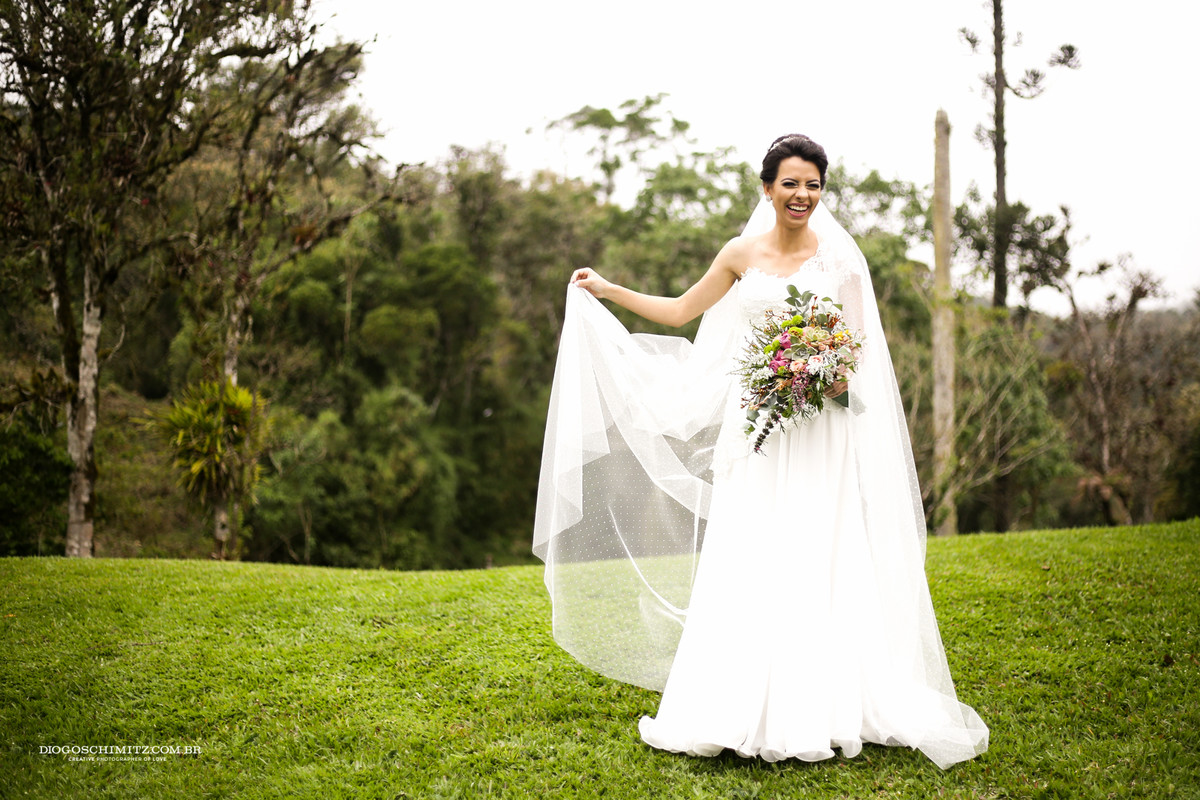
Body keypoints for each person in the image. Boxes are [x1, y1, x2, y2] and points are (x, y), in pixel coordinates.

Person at [532, 135, 988, 768]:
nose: (802, 195)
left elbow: (857, 347)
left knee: (816, 546)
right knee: (754, 545)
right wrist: (609, 290)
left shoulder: (841, 261)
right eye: (790, 183)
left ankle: (823, 704)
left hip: (820, 426)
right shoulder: (739, 253)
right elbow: (680, 311)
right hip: (755, 428)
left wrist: (819, 367)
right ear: (768, 188)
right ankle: (739, 700)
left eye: (813, 185)